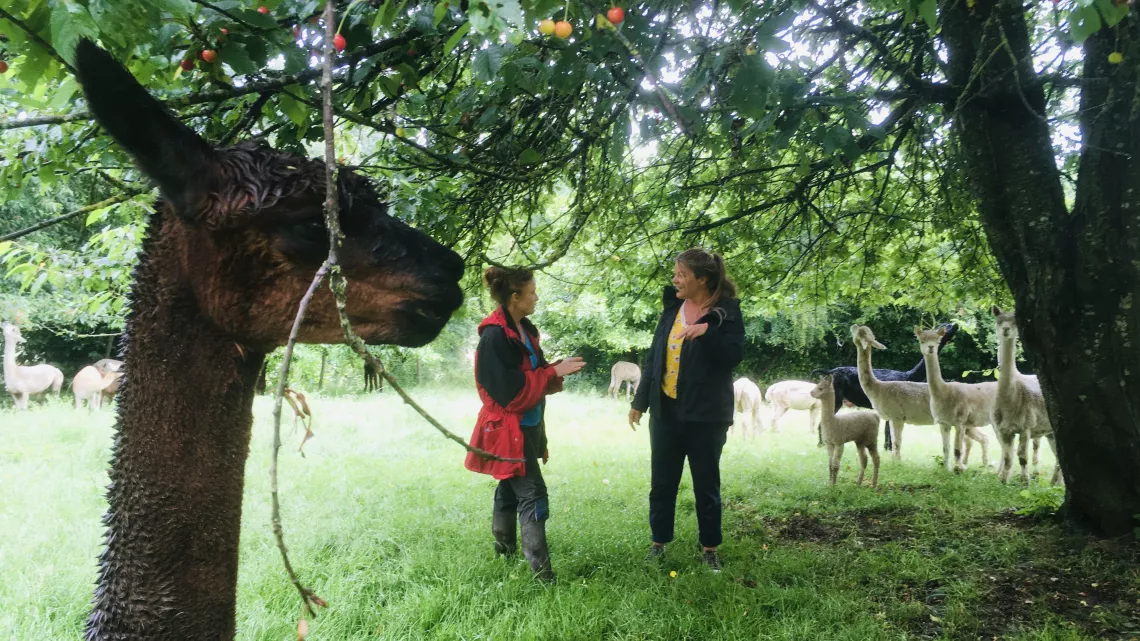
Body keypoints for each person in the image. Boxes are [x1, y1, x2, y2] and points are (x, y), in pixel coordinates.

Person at [465, 266, 585, 581]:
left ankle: (503, 550)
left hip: (527, 428)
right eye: (532, 292)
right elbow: (513, 395)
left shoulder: (526, 330)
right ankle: (542, 574)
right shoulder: (493, 336)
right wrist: (553, 373)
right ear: (515, 297)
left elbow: (537, 381)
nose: (536, 297)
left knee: (509, 485)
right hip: (505, 431)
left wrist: (541, 438)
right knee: (533, 493)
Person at [628, 248, 744, 572]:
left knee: (706, 485)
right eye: (676, 273)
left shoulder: (726, 312)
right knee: (661, 483)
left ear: (702, 279)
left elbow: (733, 356)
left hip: (706, 417)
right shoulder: (672, 310)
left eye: (681, 274)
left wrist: (708, 334)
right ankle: (658, 543)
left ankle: (710, 549)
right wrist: (639, 402)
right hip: (666, 413)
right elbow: (654, 358)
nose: (675, 279)